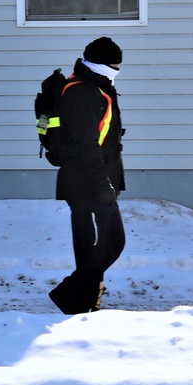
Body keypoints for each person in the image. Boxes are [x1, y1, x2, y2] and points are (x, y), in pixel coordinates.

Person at [49, 37, 127, 315]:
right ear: (102, 62)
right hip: (86, 182)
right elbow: (86, 144)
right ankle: (78, 303)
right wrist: (102, 183)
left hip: (99, 180)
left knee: (112, 243)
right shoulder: (82, 92)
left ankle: (74, 296)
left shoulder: (99, 86)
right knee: (92, 248)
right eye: (115, 62)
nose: (118, 67)